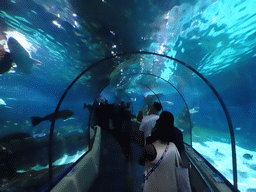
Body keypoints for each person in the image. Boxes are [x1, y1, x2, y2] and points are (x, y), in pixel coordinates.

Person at [139, 111, 184, 192]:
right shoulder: (178, 134)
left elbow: (141, 160)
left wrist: (151, 135)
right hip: (171, 179)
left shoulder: (156, 136)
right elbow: (181, 154)